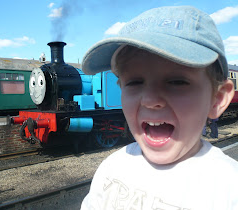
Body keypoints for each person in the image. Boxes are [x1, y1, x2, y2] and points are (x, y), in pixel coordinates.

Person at [80, 6, 238, 209]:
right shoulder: (110, 170)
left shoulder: (228, 189)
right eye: (134, 82)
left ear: (217, 99)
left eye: (177, 82)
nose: (149, 99)